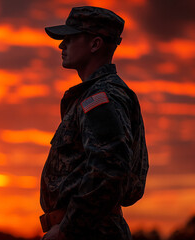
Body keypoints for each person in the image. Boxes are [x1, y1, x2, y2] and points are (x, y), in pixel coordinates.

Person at [39, 6, 149, 240]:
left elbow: (110, 168)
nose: (61, 45)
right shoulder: (94, 95)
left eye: (70, 38)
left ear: (95, 44)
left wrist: (68, 230)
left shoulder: (101, 96)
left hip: (91, 231)